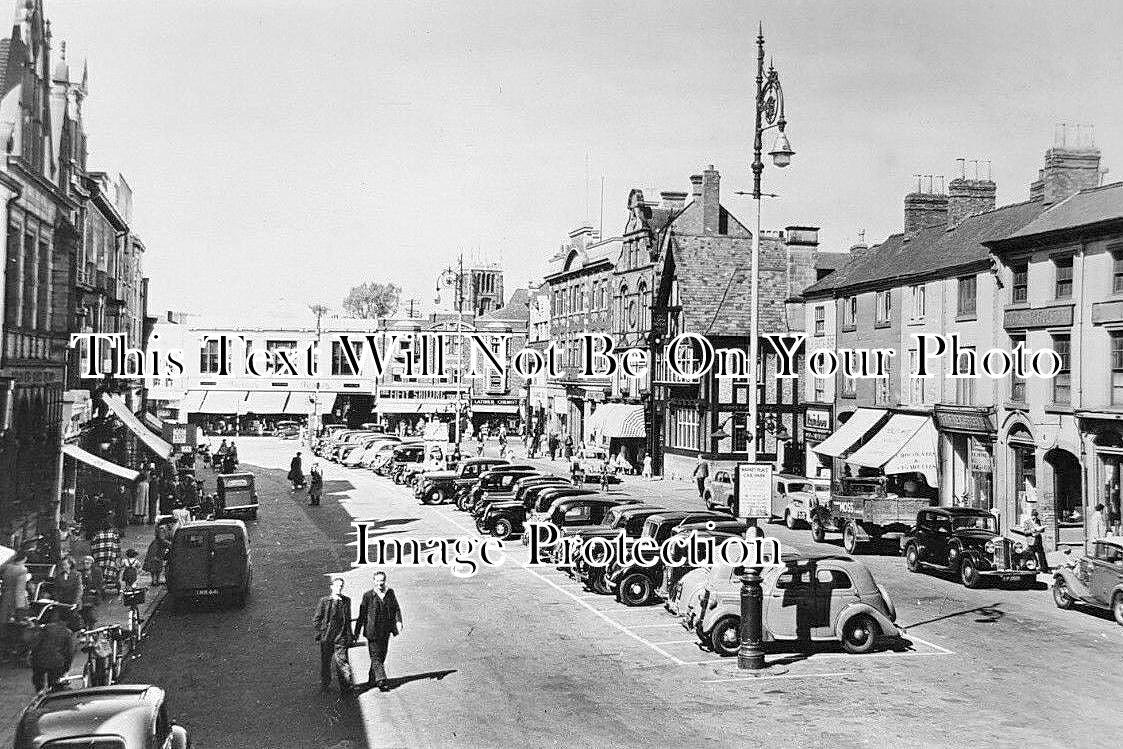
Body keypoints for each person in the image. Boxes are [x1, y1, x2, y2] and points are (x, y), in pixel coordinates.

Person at [354, 571, 403, 692]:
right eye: (378, 581)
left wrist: (399, 621)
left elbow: (396, 608)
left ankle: (372, 680)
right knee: (375, 656)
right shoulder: (368, 596)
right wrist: (356, 632)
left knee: (382, 655)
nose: (380, 583)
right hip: (372, 632)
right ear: (374, 581)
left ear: (385, 581)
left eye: (382, 580)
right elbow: (362, 615)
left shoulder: (390, 593)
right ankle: (381, 680)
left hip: (385, 631)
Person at [313, 577, 355, 694]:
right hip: (327, 638)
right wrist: (321, 633)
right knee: (326, 663)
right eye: (337, 586)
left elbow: (348, 620)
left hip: (341, 637)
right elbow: (316, 619)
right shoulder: (324, 601)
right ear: (331, 587)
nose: (339, 588)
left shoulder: (346, 601)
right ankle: (325, 685)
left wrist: (349, 636)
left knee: (342, 662)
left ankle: (346, 688)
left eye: (341, 586)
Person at [30, 608, 72, 693]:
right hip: (56, 661)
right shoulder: (67, 633)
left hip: (40, 659)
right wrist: (67, 666)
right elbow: (69, 652)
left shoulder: (47, 628)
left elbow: (37, 643)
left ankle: (39, 694)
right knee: (54, 685)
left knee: (39, 682)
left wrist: (32, 656)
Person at [0, 551, 31, 637]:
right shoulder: (22, 570)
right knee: (15, 627)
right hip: (14, 600)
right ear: (25, 559)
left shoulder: (8, 567)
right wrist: (20, 608)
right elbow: (20, 591)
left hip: (5, 597)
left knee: (3, 621)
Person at [91, 527, 122, 596]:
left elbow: (93, 546)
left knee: (100, 571)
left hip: (99, 557)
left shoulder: (97, 534)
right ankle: (110, 579)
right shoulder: (114, 534)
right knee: (113, 568)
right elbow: (118, 546)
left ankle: (101, 583)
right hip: (111, 557)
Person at [1021, 508, 1051, 573]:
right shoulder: (1027, 522)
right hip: (1031, 541)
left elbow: (1042, 530)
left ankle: (1044, 568)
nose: (1034, 518)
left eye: (1035, 516)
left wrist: (1041, 529)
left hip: (1038, 540)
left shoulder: (1038, 521)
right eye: (1033, 516)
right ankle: (1031, 567)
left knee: (1041, 555)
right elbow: (1025, 532)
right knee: (1030, 555)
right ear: (1031, 515)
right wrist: (1031, 530)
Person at [77, 555, 103, 629]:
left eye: (88, 563)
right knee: (83, 614)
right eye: (84, 563)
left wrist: (96, 590)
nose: (86, 565)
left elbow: (100, 583)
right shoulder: (80, 572)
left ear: (91, 564)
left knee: (92, 615)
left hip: (93, 596)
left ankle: (92, 628)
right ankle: (85, 627)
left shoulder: (97, 571)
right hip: (83, 595)